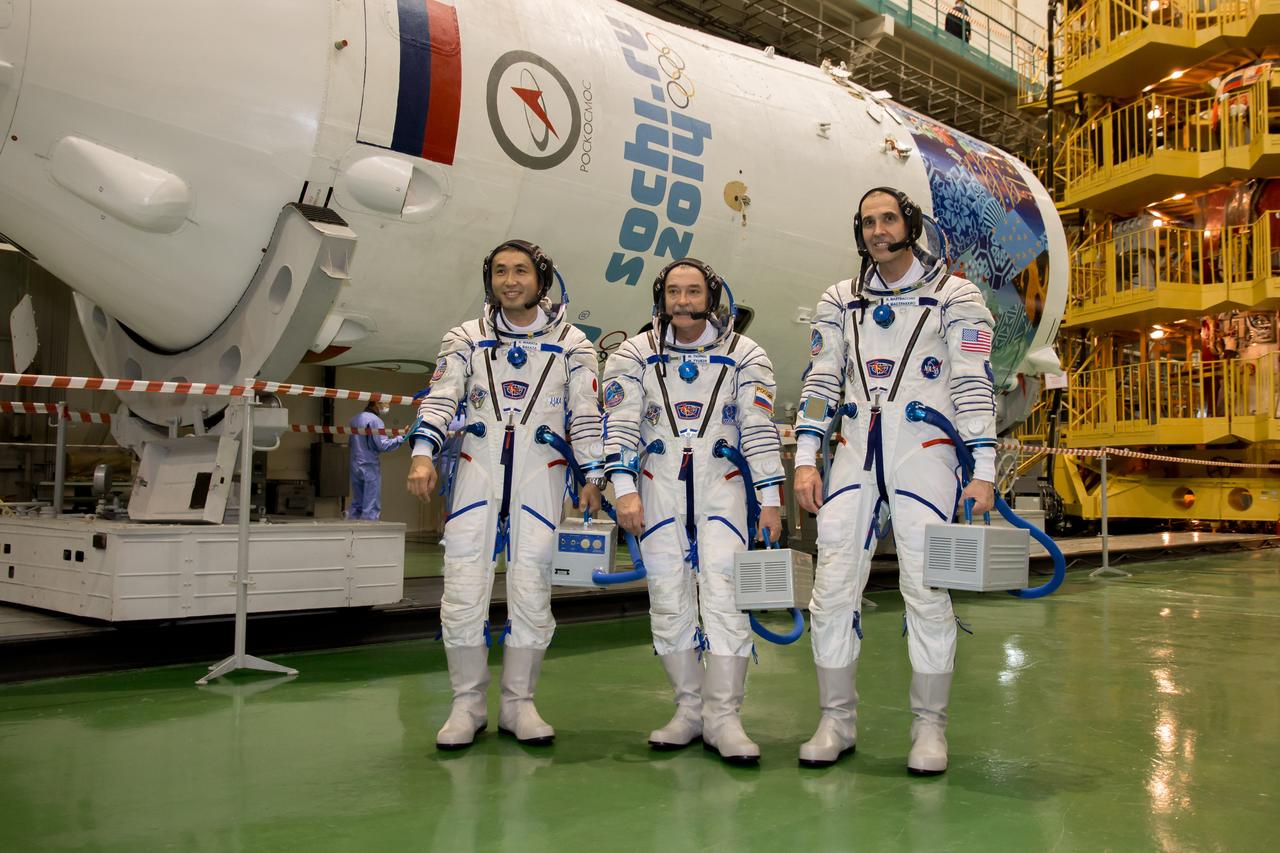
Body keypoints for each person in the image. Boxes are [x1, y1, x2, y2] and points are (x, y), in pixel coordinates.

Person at [792, 187, 997, 774]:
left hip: (925, 452)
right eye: (867, 222)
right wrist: (806, 457)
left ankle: (930, 729)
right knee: (831, 585)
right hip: (856, 452)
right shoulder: (839, 299)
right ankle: (836, 719)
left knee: (927, 589)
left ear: (911, 224)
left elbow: (972, 383)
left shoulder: (954, 296)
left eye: (887, 219)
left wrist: (981, 470)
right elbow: (820, 384)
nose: (877, 230)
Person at [406, 239, 604, 750]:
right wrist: (423, 454)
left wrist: (593, 475)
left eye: (520, 271)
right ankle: (466, 704)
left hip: (541, 475)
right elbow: (441, 399)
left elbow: (585, 417)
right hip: (477, 471)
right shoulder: (465, 338)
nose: (509, 281)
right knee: (463, 586)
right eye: (499, 272)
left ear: (542, 279)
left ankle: (520, 703)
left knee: (532, 588)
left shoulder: (574, 344)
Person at [602, 258, 784, 765]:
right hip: (656, 490)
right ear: (661, 297)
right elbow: (619, 425)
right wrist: (624, 490)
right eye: (674, 292)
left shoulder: (745, 354)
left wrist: (770, 501)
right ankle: (689, 710)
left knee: (726, 598)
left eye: (693, 292)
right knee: (667, 599)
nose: (683, 301)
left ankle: (724, 718)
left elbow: (759, 429)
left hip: (723, 490)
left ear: (712, 296)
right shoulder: (634, 354)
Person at [347, 400, 405, 521]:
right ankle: (367, 536)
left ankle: (352, 532)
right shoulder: (375, 421)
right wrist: (401, 438)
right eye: (386, 403)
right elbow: (382, 445)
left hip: (354, 463)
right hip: (369, 465)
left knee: (357, 502)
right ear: (377, 403)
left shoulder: (354, 419)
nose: (388, 406)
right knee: (371, 506)